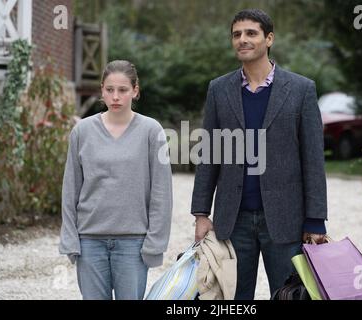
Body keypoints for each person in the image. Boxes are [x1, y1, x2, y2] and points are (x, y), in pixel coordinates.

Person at [191, 9, 328, 300]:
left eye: (251, 33)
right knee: (235, 300)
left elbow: (313, 159)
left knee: (290, 294)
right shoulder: (219, 89)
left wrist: (316, 219)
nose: (242, 39)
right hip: (233, 219)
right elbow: (210, 155)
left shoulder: (301, 90)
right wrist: (201, 213)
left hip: (286, 219)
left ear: (269, 39)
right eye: (236, 34)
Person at [59, 60, 173, 300]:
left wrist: (154, 243)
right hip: (90, 241)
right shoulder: (82, 132)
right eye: (110, 89)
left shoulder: (152, 131)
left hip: (133, 243)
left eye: (122, 90)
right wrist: (71, 240)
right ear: (102, 90)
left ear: (135, 90)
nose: (116, 96)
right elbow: (71, 190)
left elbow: (161, 193)